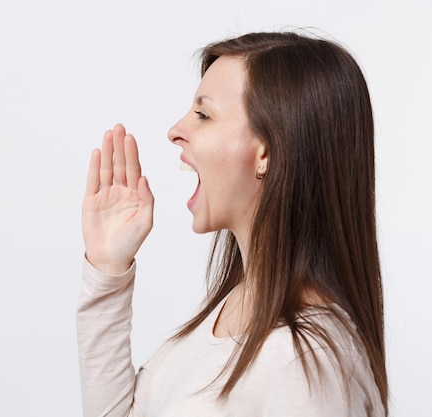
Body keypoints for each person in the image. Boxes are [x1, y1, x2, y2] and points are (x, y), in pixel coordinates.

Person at [77, 32, 388, 417]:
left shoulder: (306, 364)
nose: (175, 130)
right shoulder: (229, 315)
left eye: (203, 115)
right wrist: (107, 267)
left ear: (266, 154)